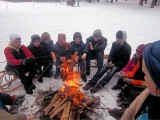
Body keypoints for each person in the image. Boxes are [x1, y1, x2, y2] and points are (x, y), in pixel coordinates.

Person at [121, 40, 160, 120]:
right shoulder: (150, 95)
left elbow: (144, 82)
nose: (138, 54)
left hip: (139, 84)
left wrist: (131, 81)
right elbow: (132, 72)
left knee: (130, 89)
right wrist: (124, 74)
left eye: (146, 74)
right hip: (136, 80)